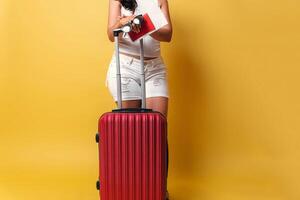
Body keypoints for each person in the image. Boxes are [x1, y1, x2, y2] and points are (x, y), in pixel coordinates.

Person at [105, 0, 172, 199]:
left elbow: (167, 34)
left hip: (154, 68)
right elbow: (110, 34)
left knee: (157, 131)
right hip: (126, 65)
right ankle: (131, 189)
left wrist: (145, 25)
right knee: (130, 131)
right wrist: (124, 22)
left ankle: (158, 189)